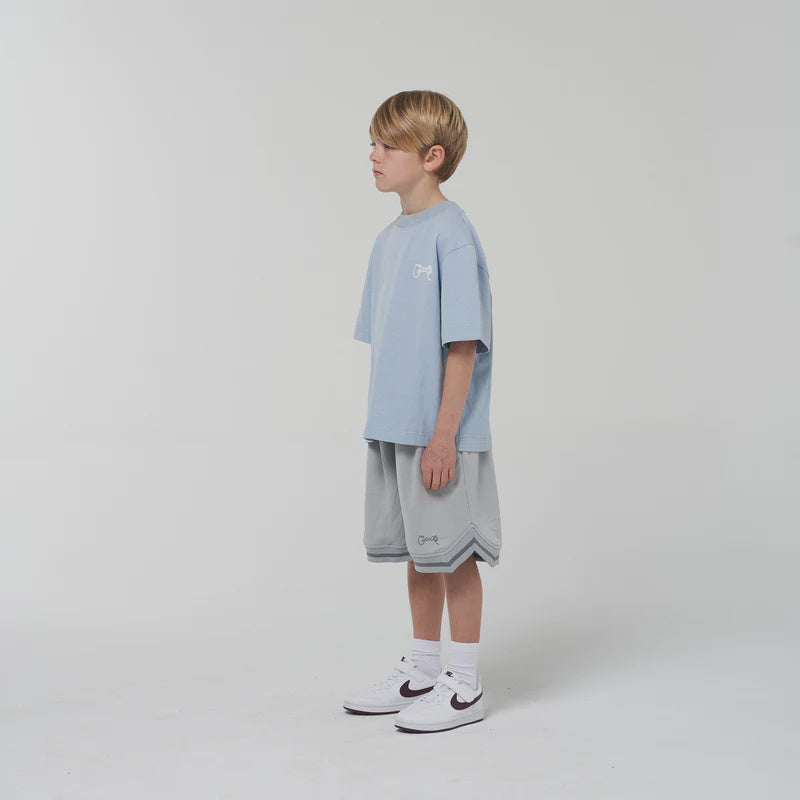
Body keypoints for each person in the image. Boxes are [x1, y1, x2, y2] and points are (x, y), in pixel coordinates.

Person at [343, 90, 502, 734]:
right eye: (373, 143)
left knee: (455, 553)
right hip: (395, 430)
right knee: (421, 552)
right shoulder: (388, 241)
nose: (373, 155)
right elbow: (389, 342)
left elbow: (461, 344)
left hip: (442, 433)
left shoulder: (452, 234)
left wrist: (444, 436)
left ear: (431, 157)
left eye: (388, 145)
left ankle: (464, 685)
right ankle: (423, 670)